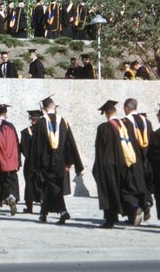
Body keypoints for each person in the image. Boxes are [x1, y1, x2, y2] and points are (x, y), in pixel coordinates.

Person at [29, 96, 84, 224]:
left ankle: (63, 211)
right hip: (60, 162)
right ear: (54, 107)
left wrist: (33, 164)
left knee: (52, 186)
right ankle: (43, 213)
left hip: (46, 162)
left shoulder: (41, 122)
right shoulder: (63, 121)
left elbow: (36, 145)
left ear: (44, 109)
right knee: (53, 186)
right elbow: (70, 143)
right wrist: (70, 161)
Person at [93, 100, 131, 228]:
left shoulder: (103, 128)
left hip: (108, 165)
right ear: (115, 112)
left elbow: (99, 149)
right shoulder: (125, 125)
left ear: (106, 114)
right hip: (124, 163)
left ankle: (110, 219)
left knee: (108, 191)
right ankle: (131, 212)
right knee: (122, 189)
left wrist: (97, 167)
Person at [121, 98, 153, 222]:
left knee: (129, 186)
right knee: (143, 184)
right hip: (146, 161)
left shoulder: (123, 122)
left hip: (131, 161)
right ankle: (146, 203)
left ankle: (134, 210)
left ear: (126, 108)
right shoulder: (147, 122)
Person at [20, 110, 43, 213]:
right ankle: (44, 207)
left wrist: (30, 158)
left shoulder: (25, 132)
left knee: (29, 185)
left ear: (31, 120)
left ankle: (29, 207)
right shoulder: (45, 132)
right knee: (42, 184)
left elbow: (24, 149)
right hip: (42, 163)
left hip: (29, 163)